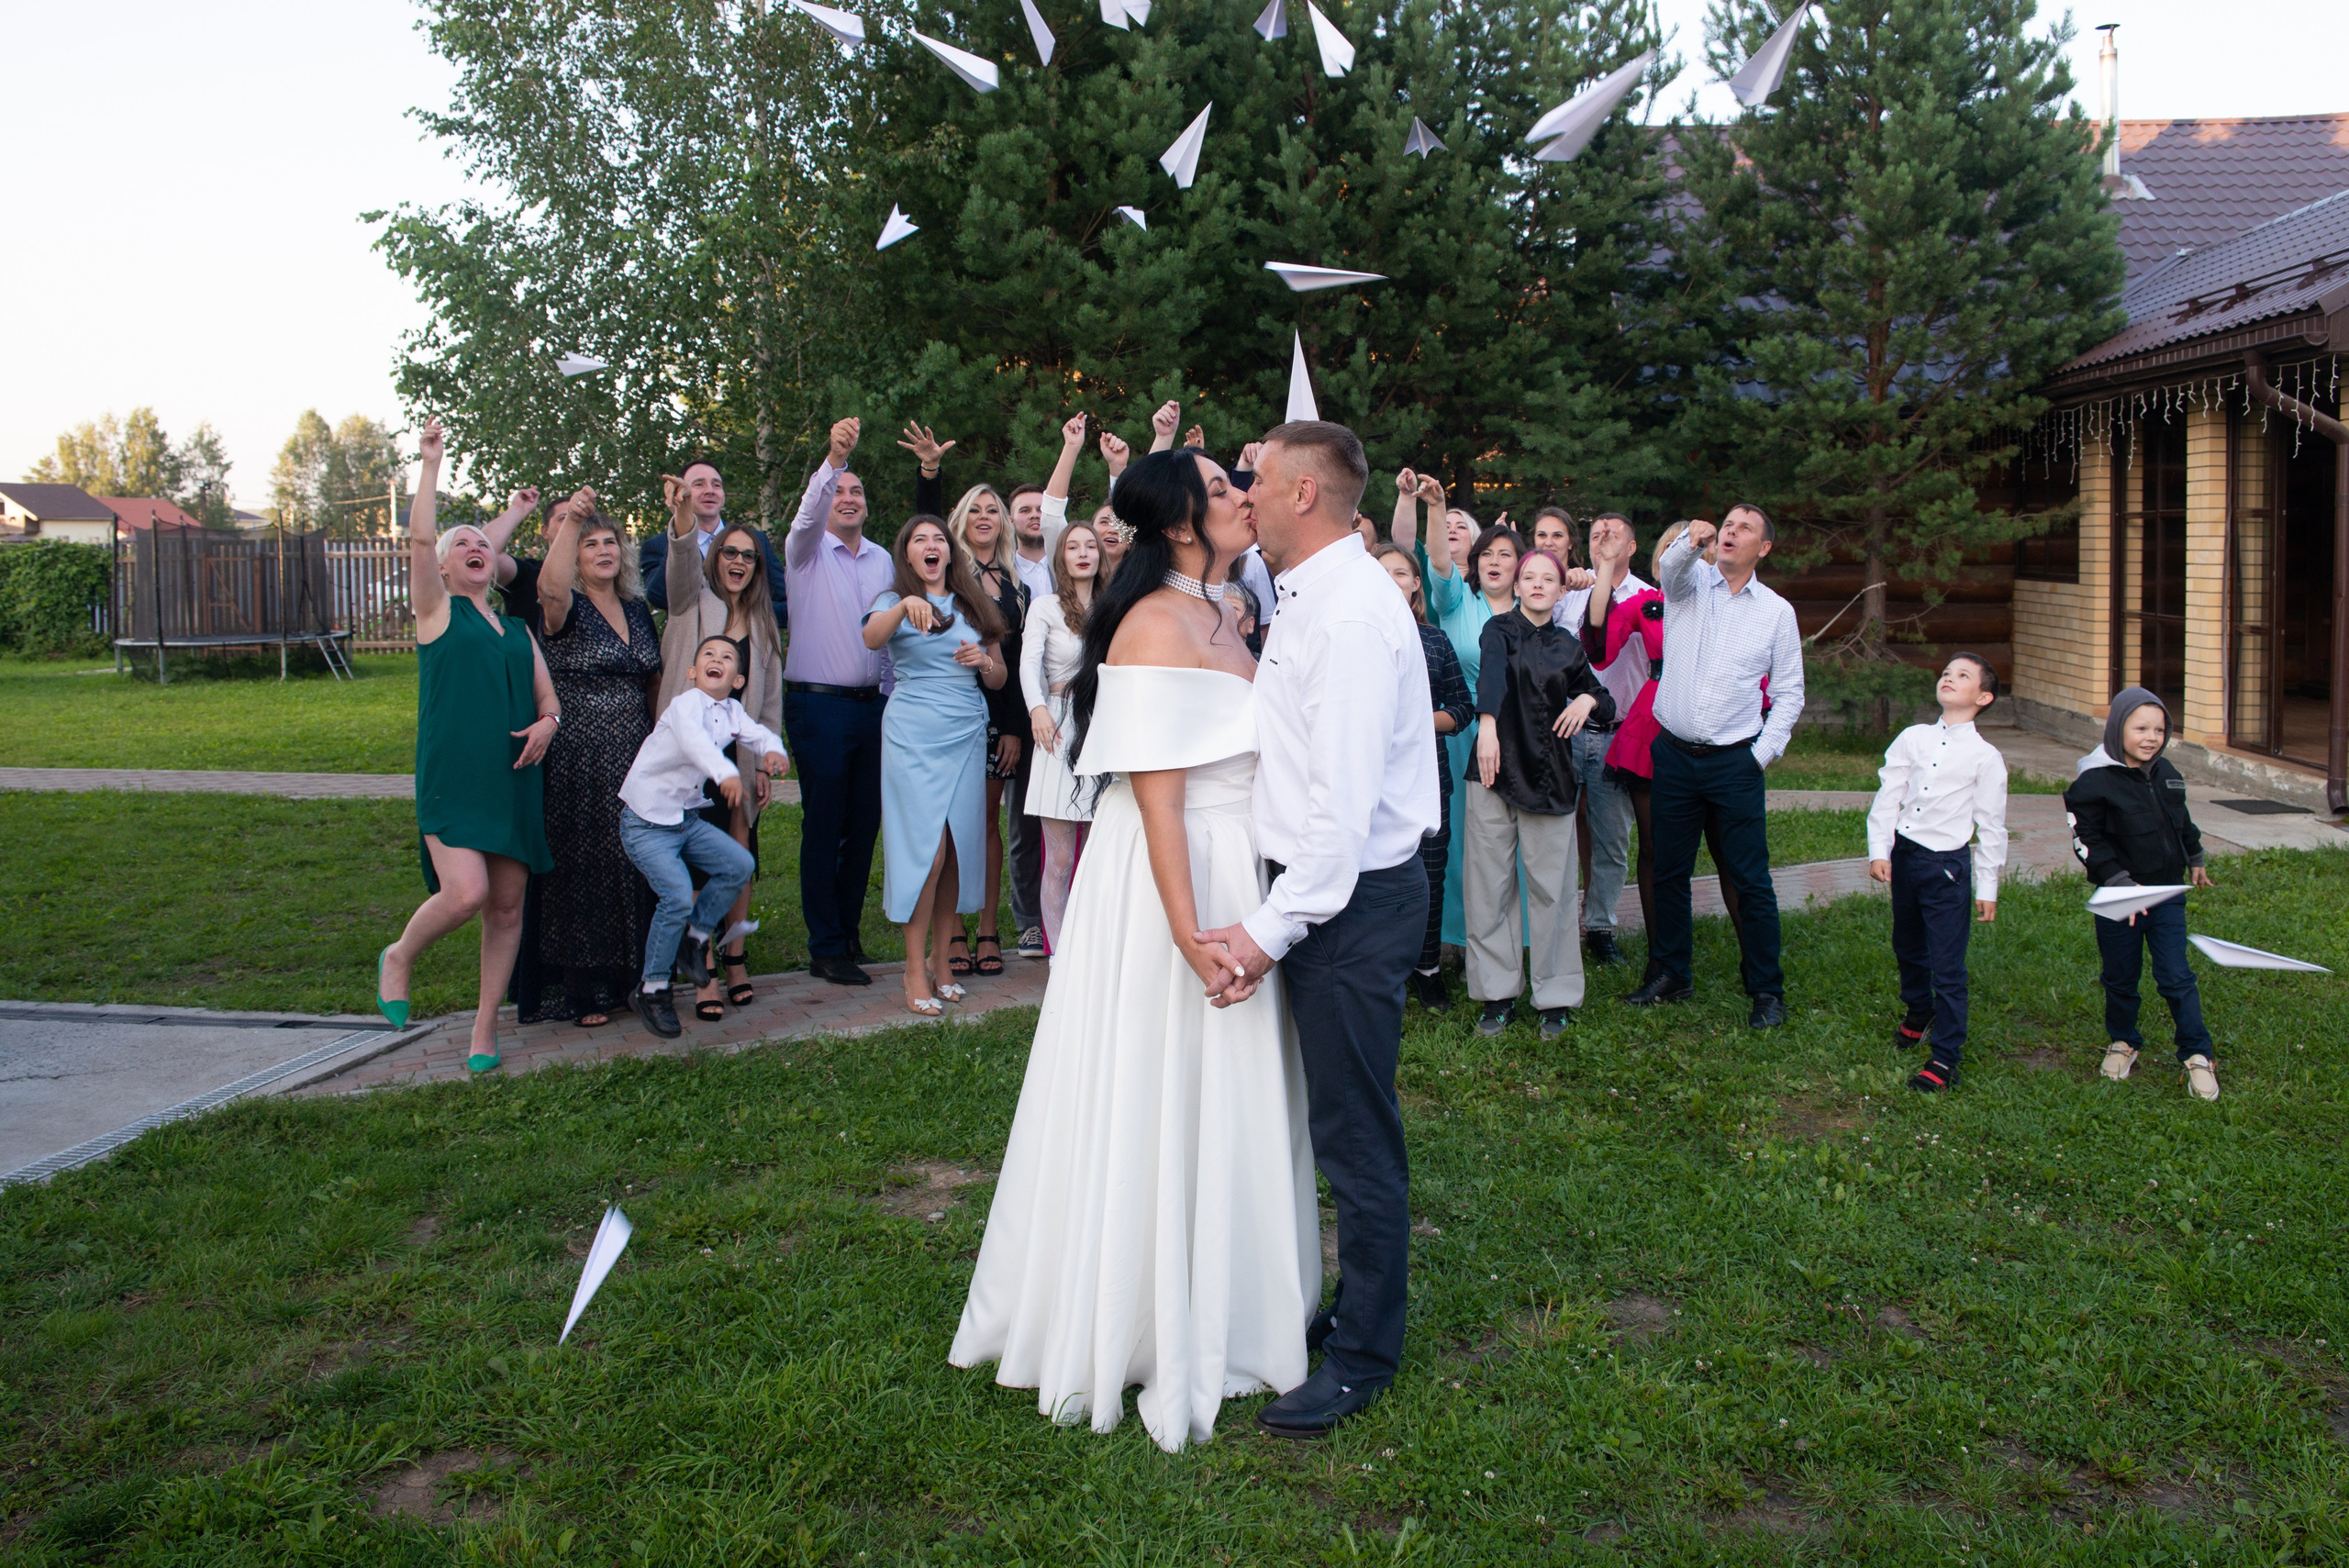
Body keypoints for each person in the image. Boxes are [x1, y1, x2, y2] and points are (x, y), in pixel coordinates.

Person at [952, 446, 1314, 1452]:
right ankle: (1148, 1304)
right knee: (1160, 1078)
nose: (1246, 496)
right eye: (1226, 486)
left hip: (1237, 861)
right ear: (1185, 518)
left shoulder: (1225, 608)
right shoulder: (1153, 622)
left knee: (1230, 1089)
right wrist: (1190, 934)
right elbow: (1156, 802)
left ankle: (1235, 1291)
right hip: (1176, 877)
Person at [1197, 420, 1438, 1440]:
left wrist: (1260, 933)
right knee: (1338, 1120)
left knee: (1355, 1134)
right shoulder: (1310, 593)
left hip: (1347, 903)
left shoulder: (1348, 615)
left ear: (1303, 493)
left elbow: (1336, 825)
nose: (1243, 494)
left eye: (1256, 479)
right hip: (1331, 896)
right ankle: (1355, 1310)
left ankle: (1362, 1353)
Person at [375, 417, 557, 1073]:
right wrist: (429, 465)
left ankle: (486, 1028)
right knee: (466, 893)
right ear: (445, 566)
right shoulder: (437, 612)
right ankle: (399, 955)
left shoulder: (513, 628)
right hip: (455, 775)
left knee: (507, 905)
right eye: (464, 545)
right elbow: (426, 538)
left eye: (485, 544)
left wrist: (548, 725)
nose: (477, 548)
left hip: (514, 775)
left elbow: (548, 700)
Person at [1624, 506, 1805, 1027]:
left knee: (1750, 878)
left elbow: (1790, 693)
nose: (1731, 532)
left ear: (1763, 548)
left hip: (1735, 763)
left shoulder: (1776, 612)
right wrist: (1688, 538)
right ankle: (1671, 973)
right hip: (1675, 754)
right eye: (1727, 524)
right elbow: (1667, 570)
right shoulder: (1689, 585)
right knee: (1669, 871)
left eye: (1744, 528)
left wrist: (1760, 754)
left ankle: (1766, 990)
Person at [863, 516, 1008, 1018]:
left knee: (958, 846)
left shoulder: (973, 603)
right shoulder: (892, 601)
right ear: (907, 554)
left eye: (938, 540)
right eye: (919, 540)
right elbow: (870, 639)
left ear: (950, 553)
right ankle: (911, 967)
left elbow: (998, 677)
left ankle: (942, 962)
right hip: (913, 732)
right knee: (928, 850)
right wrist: (905, 605)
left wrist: (983, 662)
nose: (930, 546)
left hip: (966, 728)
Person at [1467, 551, 1614, 1039]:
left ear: (1559, 590)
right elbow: (1490, 678)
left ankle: (1556, 996)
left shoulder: (1569, 647)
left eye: (1547, 578)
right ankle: (1497, 994)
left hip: (1551, 780)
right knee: (1490, 888)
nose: (1535, 584)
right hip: (1492, 770)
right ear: (1517, 583)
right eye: (1528, 576)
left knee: (1552, 892)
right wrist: (1486, 728)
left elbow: (1605, 699)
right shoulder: (1498, 631)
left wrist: (1589, 698)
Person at [655, 475, 785, 1021]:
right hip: (691, 755)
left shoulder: (760, 618)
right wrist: (684, 514)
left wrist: (761, 765)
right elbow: (682, 558)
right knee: (696, 861)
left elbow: (769, 695)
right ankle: (701, 968)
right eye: (729, 552)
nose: (737, 561)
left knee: (741, 854)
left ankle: (735, 956)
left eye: (749, 556)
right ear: (715, 559)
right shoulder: (691, 604)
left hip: (737, 756)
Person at [531, 489, 662, 1029]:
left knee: (637, 858)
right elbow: (546, 584)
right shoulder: (565, 606)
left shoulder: (637, 608)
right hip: (580, 753)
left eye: (612, 542)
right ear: (576, 556)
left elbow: (652, 677)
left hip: (637, 749)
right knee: (586, 862)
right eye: (591, 544)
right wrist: (572, 523)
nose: (604, 550)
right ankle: (584, 987)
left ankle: (638, 973)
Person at [616, 638, 786, 1038]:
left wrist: (775, 751)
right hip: (645, 823)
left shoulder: (733, 711)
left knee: (739, 864)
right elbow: (694, 743)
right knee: (676, 896)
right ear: (692, 672)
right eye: (708, 655)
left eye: (727, 658)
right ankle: (653, 989)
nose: (717, 660)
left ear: (738, 678)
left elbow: (757, 735)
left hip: (684, 820)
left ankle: (694, 938)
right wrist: (724, 772)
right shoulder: (684, 705)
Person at [2064, 688, 2220, 1101]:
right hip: (2118, 898)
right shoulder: (2093, 780)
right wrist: (2118, 882)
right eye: (2140, 728)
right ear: (2118, 729)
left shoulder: (2166, 772)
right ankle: (2123, 1041)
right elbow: (2086, 839)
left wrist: (2196, 856)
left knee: (2175, 975)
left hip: (2166, 894)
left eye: (2159, 729)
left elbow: (2180, 819)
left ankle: (2197, 1053)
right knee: (2120, 975)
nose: (2151, 737)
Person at [783, 417, 896, 987]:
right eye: (839, 492)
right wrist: (833, 459)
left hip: (873, 707)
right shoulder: (804, 551)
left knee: (864, 822)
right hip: (818, 708)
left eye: (857, 492)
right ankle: (824, 945)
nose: (847, 499)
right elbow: (806, 514)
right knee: (824, 824)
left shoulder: (882, 561)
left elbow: (892, 638)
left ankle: (847, 934)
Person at [1866, 653, 2009, 1094]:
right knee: (1907, 946)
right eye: (1947, 672)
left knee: (1947, 965)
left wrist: (1988, 886)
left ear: (1982, 697)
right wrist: (1880, 849)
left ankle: (1945, 1056)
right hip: (1907, 858)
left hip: (1947, 867)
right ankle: (1917, 1011)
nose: (1949, 677)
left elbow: (1992, 825)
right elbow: (1889, 795)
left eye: (1963, 675)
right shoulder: (1913, 738)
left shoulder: (1987, 757)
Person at [1397, 472, 1521, 951]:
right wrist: (1436, 506)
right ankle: (1452, 940)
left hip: (1517, 736)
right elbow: (1437, 561)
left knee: (1511, 842)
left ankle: (1512, 938)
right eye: (1485, 554)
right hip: (1461, 737)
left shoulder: (1530, 610)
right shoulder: (1454, 604)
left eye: (1503, 555)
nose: (1493, 563)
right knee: (1459, 844)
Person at [1374, 543, 1472, 1012]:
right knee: (1372, 877)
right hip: (1369, 780)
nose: (1392, 580)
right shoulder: (1356, 636)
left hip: (1428, 780)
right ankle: (1379, 967)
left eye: (1401, 573)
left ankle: (1427, 969)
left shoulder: (1433, 641)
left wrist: (1416, 719)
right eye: (1382, 572)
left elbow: (1462, 706)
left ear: (1417, 584)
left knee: (1429, 875)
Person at [945, 484, 1030, 979]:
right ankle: (952, 927)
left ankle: (987, 929)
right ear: (961, 519)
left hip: (1001, 716)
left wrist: (1015, 727)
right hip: (954, 714)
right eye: (973, 509)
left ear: (1003, 521)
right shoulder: (949, 577)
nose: (984, 517)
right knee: (955, 826)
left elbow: (1018, 662)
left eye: (992, 510)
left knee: (986, 825)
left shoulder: (1017, 584)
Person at [1562, 513, 1650, 965]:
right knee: (1558, 830)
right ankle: (1556, 923)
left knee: (1612, 837)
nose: (1605, 541)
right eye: (1597, 535)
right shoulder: (1568, 594)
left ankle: (1599, 925)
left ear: (1632, 548)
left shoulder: (1650, 599)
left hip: (1618, 736)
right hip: (1564, 731)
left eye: (1614, 535)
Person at [1020, 519, 1101, 952]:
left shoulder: (1114, 606)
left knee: (1096, 857)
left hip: (1102, 728)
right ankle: (1060, 957)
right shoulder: (1046, 607)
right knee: (1062, 859)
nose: (1084, 552)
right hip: (1056, 724)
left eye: (1091, 545)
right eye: (1074, 546)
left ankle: (1092, 954)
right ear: (1062, 557)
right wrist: (1036, 709)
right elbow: (1027, 664)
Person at [637, 456, 785, 633]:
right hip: (693, 656)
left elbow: (788, 608)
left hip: (748, 653)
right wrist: (680, 533)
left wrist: (744, 610)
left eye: (716, 485)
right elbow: (660, 598)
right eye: (699, 484)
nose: (710, 491)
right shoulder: (659, 545)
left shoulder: (755, 541)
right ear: (679, 493)